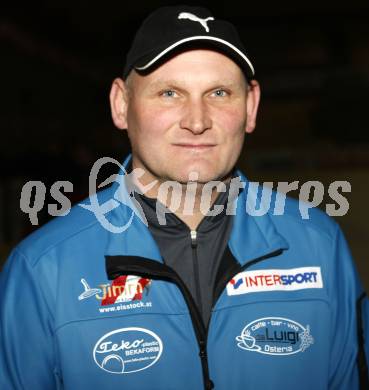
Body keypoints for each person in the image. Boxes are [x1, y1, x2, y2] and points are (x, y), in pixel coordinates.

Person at [0, 5, 368, 389]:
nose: (197, 120)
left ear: (251, 106)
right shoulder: (42, 268)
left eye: (220, 92)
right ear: (121, 105)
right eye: (169, 92)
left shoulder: (320, 247)